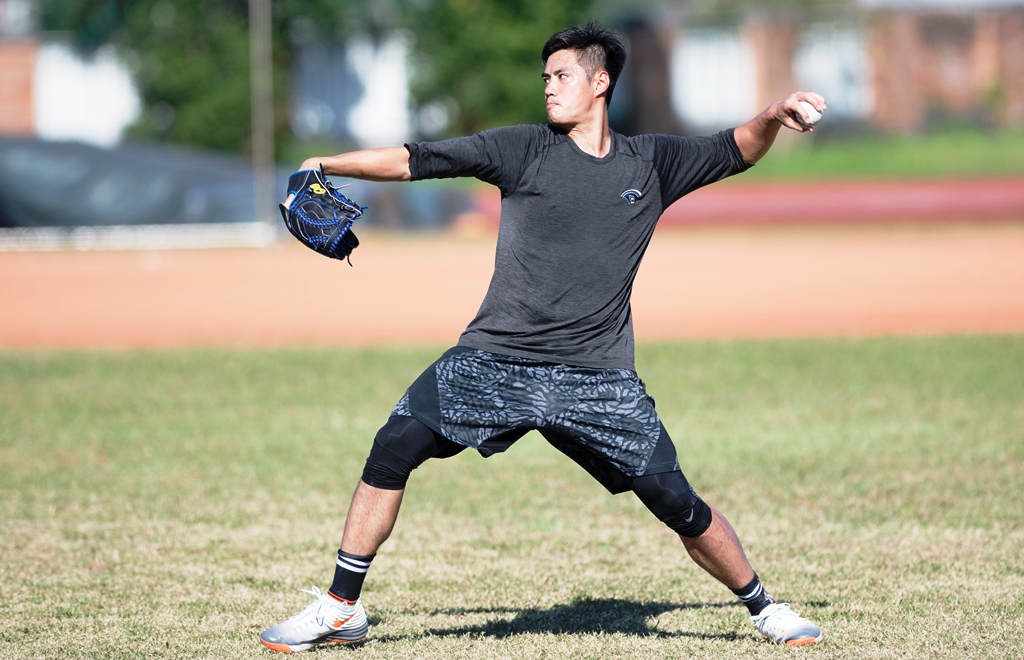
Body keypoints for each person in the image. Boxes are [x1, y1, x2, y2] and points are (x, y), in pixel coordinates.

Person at [259, 20, 827, 653]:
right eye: (545, 79)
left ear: (601, 81)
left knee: (678, 503)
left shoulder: (654, 162)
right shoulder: (522, 148)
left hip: (597, 375)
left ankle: (765, 610)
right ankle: (340, 609)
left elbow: (736, 148)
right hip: (494, 359)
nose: (550, 89)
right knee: (392, 449)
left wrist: (775, 114)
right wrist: (324, 163)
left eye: (562, 76)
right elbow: (420, 158)